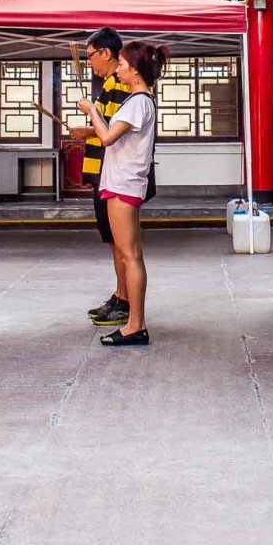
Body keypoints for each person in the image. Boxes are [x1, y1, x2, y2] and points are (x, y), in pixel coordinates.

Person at [77, 40, 169, 346]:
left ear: (136, 71)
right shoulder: (137, 101)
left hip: (124, 185)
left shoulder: (138, 102)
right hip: (123, 182)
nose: (119, 69)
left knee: (129, 255)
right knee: (130, 254)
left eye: (123, 65)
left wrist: (92, 111)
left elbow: (106, 138)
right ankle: (134, 322)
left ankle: (135, 324)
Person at [69, 27, 131, 327]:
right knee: (114, 241)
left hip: (113, 172)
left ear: (106, 53)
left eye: (91, 56)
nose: (89, 62)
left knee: (122, 243)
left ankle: (126, 300)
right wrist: (89, 130)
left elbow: (116, 131)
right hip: (105, 170)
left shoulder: (119, 84)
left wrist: (90, 122)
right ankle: (120, 296)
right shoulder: (109, 82)